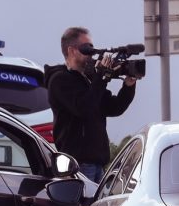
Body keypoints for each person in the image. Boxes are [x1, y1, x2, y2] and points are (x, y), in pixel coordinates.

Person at [48, 26, 139, 184]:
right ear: (72, 50)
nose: (92, 54)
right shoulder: (59, 80)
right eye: (87, 49)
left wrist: (128, 86)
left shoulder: (89, 79)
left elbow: (113, 107)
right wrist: (102, 77)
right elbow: (83, 108)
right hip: (79, 164)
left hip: (98, 164)